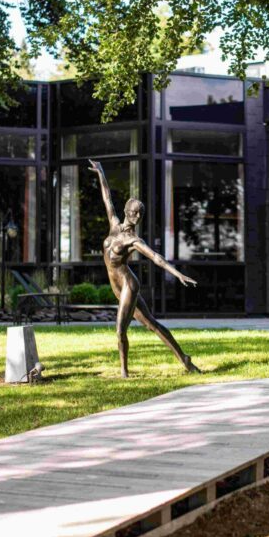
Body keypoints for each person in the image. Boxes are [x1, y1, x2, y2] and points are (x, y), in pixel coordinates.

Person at [88, 159, 201, 378]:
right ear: (126, 211)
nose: (137, 217)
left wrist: (178, 274)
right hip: (117, 286)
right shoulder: (113, 223)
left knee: (120, 329)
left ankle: (124, 372)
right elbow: (107, 197)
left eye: (140, 213)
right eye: (134, 212)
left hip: (128, 284)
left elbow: (156, 258)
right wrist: (101, 172)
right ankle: (185, 360)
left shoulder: (133, 240)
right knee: (152, 324)